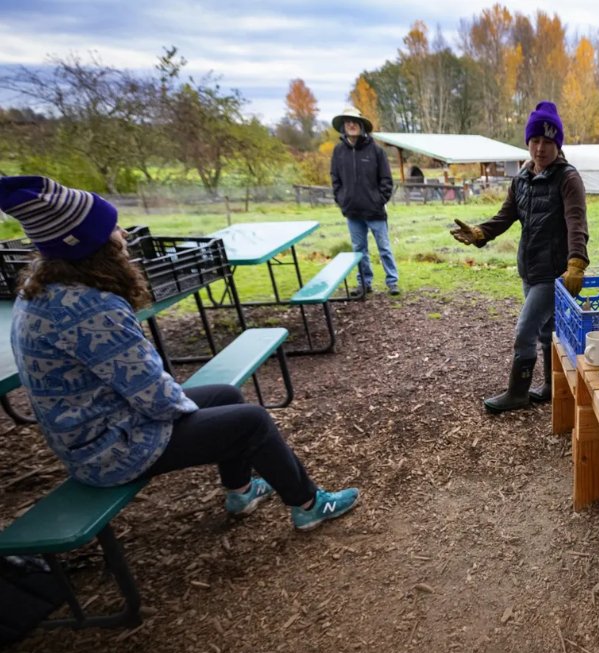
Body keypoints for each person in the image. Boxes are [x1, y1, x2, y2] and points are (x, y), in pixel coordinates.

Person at [2, 176, 360, 530]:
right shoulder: (91, 309)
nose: (123, 235)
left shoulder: (45, 289)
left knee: (225, 395)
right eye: (112, 228)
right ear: (90, 244)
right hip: (109, 450)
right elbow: (155, 397)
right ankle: (309, 504)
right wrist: (190, 417)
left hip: (94, 432)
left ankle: (242, 491)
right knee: (252, 422)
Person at [450, 101, 589, 414]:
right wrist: (479, 233)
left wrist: (577, 262)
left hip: (554, 272)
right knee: (546, 331)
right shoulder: (522, 180)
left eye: (548, 142)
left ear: (558, 144)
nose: (540, 148)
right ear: (528, 142)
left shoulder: (568, 179)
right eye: (535, 141)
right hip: (529, 268)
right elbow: (505, 216)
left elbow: (576, 222)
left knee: (525, 331)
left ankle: (517, 393)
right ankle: (554, 386)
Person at [329, 106, 399, 297]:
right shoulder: (338, 152)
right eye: (347, 122)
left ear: (361, 125)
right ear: (344, 126)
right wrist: (342, 200)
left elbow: (386, 179)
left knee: (384, 247)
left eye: (354, 122)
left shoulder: (376, 151)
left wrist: (379, 200)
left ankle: (392, 281)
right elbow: (335, 179)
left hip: (374, 210)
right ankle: (364, 282)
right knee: (359, 250)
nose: (351, 125)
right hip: (352, 212)